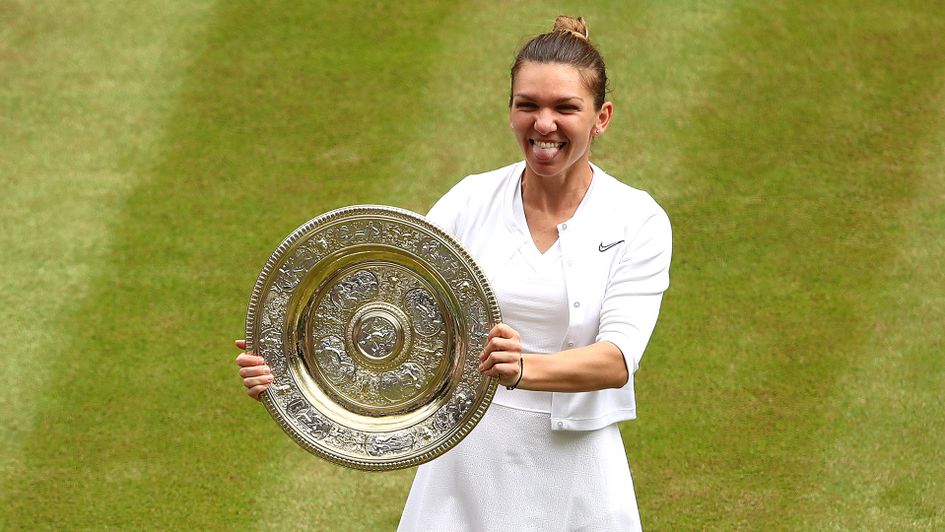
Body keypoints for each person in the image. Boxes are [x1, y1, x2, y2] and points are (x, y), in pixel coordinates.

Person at [236, 15, 671, 531]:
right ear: (510, 111)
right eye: (527, 105)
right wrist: (288, 373)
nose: (543, 124)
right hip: (466, 462)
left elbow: (617, 359)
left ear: (602, 117)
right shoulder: (469, 201)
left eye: (565, 108)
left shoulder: (637, 220)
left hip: (579, 474)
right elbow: (392, 316)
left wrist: (520, 369)